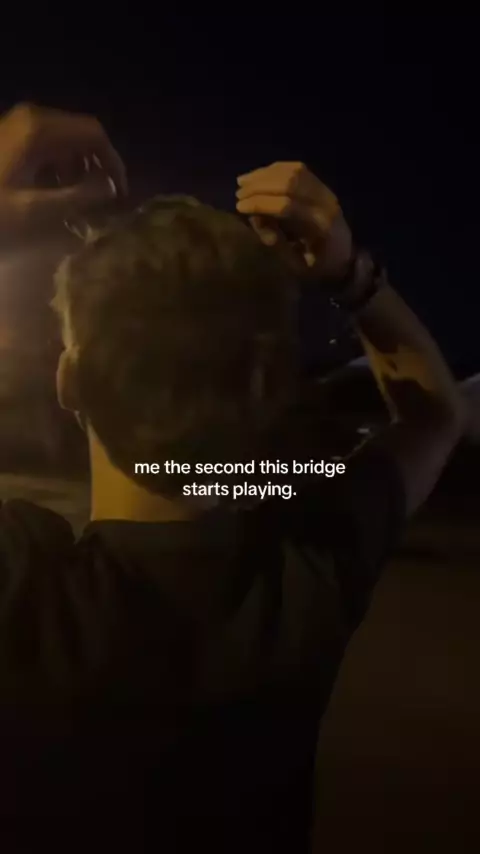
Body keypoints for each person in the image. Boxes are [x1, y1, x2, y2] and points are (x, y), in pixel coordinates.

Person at [0, 104, 464, 853]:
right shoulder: (306, 575)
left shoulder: (25, 591)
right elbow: (438, 415)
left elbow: (433, 416)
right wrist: (351, 275)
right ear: (264, 386)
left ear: (69, 380)